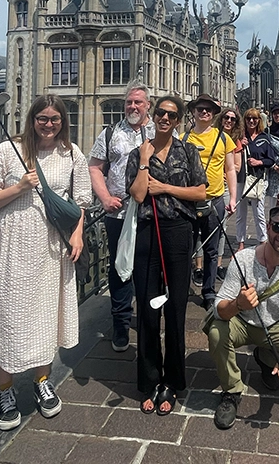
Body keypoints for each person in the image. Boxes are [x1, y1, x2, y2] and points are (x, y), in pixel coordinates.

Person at [0, 94, 92, 431]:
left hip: (49, 249)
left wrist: (77, 235)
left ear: (63, 121)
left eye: (54, 119)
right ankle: (5, 390)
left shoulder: (72, 154)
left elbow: (80, 203)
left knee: (44, 315)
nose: (48, 125)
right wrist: (19, 187)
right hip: (8, 249)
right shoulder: (6, 151)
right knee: (4, 316)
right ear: (31, 119)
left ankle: (42, 381)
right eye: (42, 119)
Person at [125, 95, 207, 416]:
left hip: (177, 233)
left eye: (171, 115)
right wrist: (145, 162)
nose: (164, 118)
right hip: (147, 233)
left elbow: (201, 192)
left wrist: (168, 189)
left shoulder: (187, 152)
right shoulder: (138, 152)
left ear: (178, 121)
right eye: (160, 113)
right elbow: (137, 193)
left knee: (174, 309)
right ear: (153, 115)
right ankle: (148, 380)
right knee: (147, 308)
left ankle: (172, 381)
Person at [208, 206, 279, 430]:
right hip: (241, 321)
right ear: (267, 227)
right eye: (277, 226)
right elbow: (219, 309)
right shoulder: (243, 259)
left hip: (274, 324)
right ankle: (231, 391)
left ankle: (267, 360)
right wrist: (238, 303)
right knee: (216, 332)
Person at [88, 81, 154, 352]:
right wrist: (104, 198)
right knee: (118, 270)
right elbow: (94, 167)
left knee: (148, 269)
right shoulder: (110, 133)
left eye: (138, 102)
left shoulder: (158, 130)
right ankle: (121, 323)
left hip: (151, 213)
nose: (133, 106)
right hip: (118, 214)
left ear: (148, 105)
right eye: (129, 102)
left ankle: (149, 320)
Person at [185, 94, 237, 311]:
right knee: (185, 248)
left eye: (208, 109)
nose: (204, 112)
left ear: (214, 114)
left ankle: (208, 292)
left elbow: (230, 169)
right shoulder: (183, 138)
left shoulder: (223, 138)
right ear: (194, 112)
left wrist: (233, 197)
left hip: (214, 199)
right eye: (200, 109)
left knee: (212, 251)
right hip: (188, 201)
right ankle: (180, 289)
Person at [236, 108, 273, 250]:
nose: (251, 121)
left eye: (255, 119)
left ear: (259, 121)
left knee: (259, 212)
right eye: (248, 118)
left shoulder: (264, 137)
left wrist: (259, 162)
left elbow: (271, 160)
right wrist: (240, 144)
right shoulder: (240, 136)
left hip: (257, 180)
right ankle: (240, 243)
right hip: (241, 179)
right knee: (241, 212)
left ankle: (263, 241)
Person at [215, 107, 243, 277]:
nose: (229, 121)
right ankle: (199, 266)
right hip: (207, 187)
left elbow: (237, 167)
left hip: (223, 187)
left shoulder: (235, 141)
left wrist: (224, 176)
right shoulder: (211, 135)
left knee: (221, 227)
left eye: (233, 119)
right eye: (226, 117)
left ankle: (217, 264)